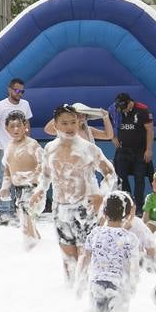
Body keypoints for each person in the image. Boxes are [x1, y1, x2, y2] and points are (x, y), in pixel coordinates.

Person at [44, 104, 110, 284]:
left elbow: (110, 174)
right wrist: (39, 193)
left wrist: (101, 194)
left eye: (73, 122)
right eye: (64, 123)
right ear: (55, 126)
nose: (69, 127)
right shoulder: (50, 149)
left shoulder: (89, 148)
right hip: (59, 208)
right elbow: (45, 175)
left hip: (84, 208)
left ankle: (87, 293)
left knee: (85, 255)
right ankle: (70, 296)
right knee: (67, 257)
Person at [79, 192, 142, 312]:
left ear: (105, 213)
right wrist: (133, 285)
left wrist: (81, 279)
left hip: (97, 283)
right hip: (118, 285)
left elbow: (85, 259)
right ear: (127, 214)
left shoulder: (95, 233)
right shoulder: (130, 238)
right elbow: (134, 266)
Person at [0, 111, 47, 248]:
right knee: (26, 221)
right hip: (19, 191)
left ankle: (31, 249)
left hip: (33, 189)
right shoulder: (9, 147)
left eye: (19, 125)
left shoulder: (33, 145)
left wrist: (37, 182)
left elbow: (44, 167)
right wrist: (5, 187)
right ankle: (38, 247)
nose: (16, 129)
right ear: (6, 129)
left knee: (26, 218)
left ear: (26, 126)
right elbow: (7, 171)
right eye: (12, 127)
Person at [0, 78, 33, 219]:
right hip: (4, 148)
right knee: (5, 180)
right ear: (9, 89)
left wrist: (28, 143)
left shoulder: (25, 104)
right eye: (17, 90)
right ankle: (5, 210)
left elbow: (27, 125)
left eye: (22, 91)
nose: (19, 93)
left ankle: (18, 208)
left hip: (21, 148)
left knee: (21, 179)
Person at [109, 92, 154, 210]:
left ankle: (139, 206)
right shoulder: (114, 110)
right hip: (123, 149)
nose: (122, 111)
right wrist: (113, 137)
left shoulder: (142, 110)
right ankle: (128, 203)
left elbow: (150, 130)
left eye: (124, 108)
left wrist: (148, 149)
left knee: (139, 178)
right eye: (120, 109)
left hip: (140, 149)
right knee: (121, 176)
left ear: (130, 103)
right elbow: (108, 124)